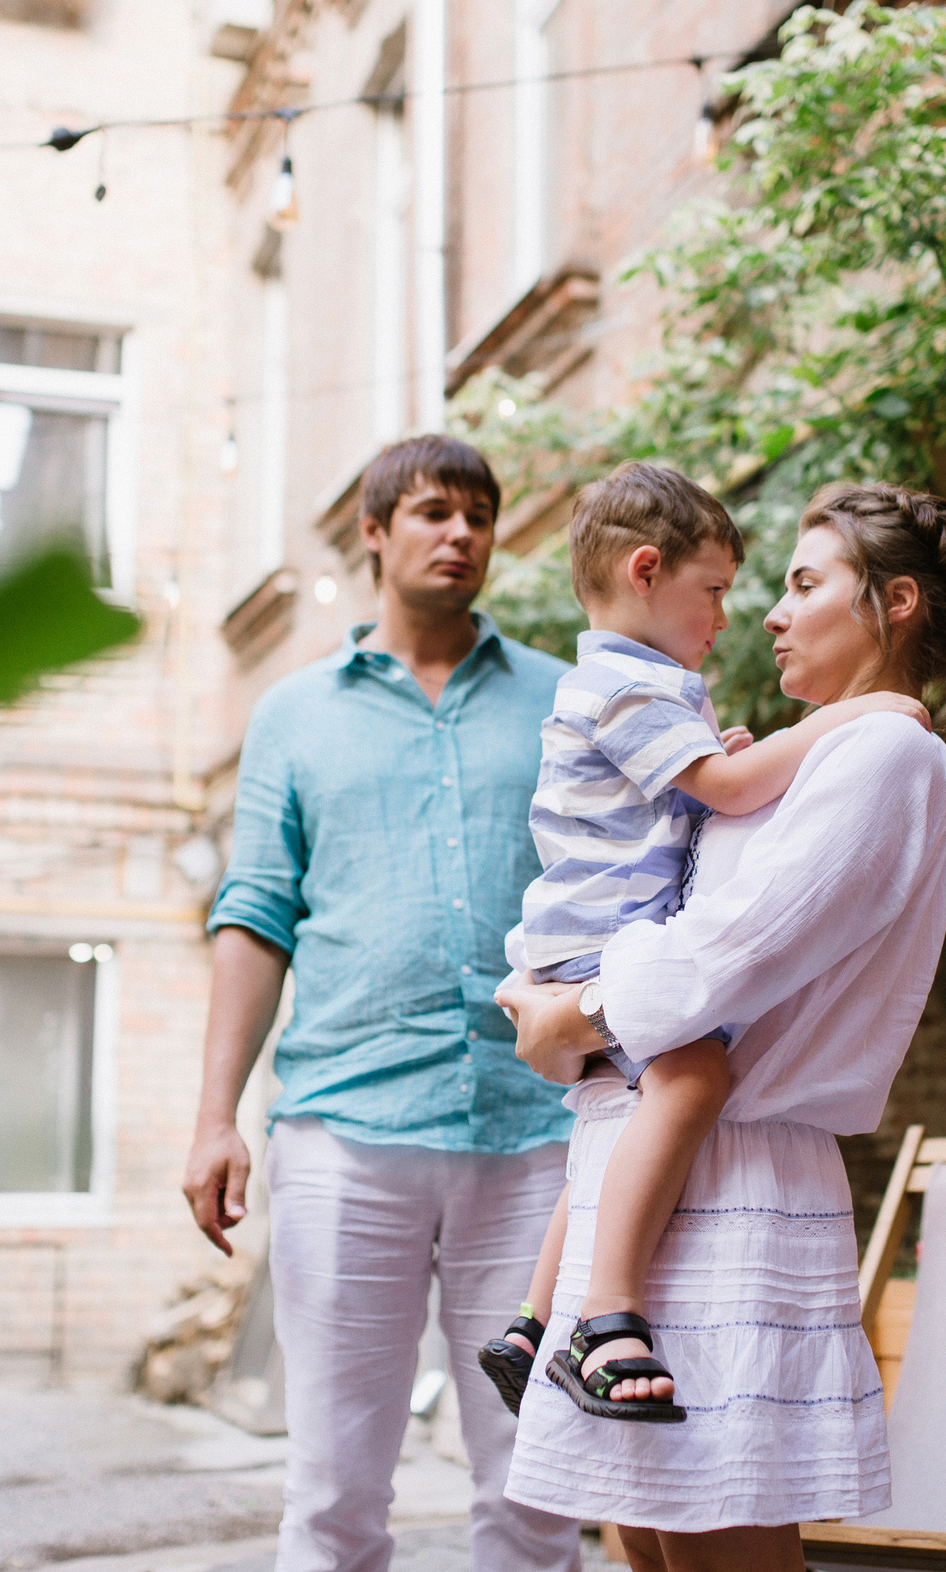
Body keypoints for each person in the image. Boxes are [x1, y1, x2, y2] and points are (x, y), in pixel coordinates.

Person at [494, 481, 946, 1572]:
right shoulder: (800, 758)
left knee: (721, 1548)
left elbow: (727, 952)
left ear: (892, 602)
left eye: (803, 583)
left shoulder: (890, 754)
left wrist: (572, 1011)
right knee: (649, 1543)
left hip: (733, 1185)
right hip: (647, 1168)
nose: (769, 611)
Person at [183, 434, 583, 1572]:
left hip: (536, 1135)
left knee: (532, 1478)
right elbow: (254, 912)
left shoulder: (564, 698)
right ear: (372, 531)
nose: (460, 533)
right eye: (431, 512)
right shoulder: (294, 713)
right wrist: (217, 1115)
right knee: (334, 1486)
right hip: (345, 1129)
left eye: (479, 515)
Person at [476, 463, 928, 1426]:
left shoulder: (640, 689)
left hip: (595, 953)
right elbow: (724, 797)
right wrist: (854, 710)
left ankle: (535, 1318)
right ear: (647, 571)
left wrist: (724, 754)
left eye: (798, 585)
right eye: (717, 590)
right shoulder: (631, 687)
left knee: (608, 1117)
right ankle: (602, 1317)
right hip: (600, 948)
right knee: (691, 1082)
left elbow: (707, 816)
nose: (739, 614)